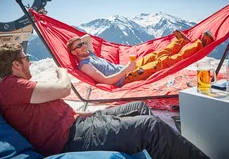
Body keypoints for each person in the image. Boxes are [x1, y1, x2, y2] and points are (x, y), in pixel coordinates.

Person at [0, 43, 209, 159]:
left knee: (138, 107)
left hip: (78, 124)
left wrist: (97, 113)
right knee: (150, 127)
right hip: (71, 138)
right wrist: (62, 72)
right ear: (16, 65)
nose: (30, 62)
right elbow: (63, 89)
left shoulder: (17, 88)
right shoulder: (9, 85)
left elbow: (52, 114)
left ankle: (159, 153)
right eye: (26, 59)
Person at [67, 30, 214, 87]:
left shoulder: (89, 54)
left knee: (155, 55)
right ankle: (201, 44)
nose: (83, 46)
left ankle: (180, 41)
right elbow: (106, 81)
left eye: (81, 44)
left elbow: (88, 38)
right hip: (126, 76)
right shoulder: (85, 65)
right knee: (163, 62)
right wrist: (126, 70)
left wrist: (76, 41)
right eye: (78, 47)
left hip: (125, 68)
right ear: (73, 53)